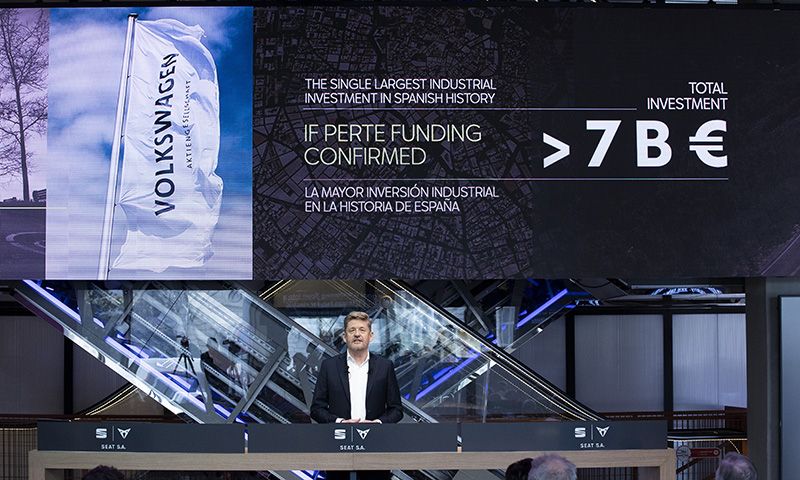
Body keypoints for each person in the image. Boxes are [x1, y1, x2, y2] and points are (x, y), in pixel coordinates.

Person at [311, 311, 403, 480]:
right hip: (339, 447)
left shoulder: (385, 366)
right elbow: (317, 409)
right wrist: (340, 423)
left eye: (362, 330)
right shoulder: (329, 366)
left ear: (371, 336)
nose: (357, 334)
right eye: (352, 330)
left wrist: (377, 424)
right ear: (344, 337)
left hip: (376, 447)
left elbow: (396, 410)